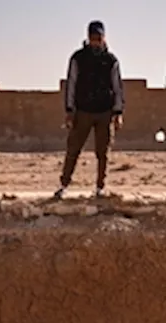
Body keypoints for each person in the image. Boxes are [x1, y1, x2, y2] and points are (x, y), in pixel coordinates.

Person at [54, 20, 125, 200]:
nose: (96, 41)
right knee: (73, 150)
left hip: (104, 112)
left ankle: (100, 187)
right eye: (93, 38)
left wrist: (118, 112)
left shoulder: (111, 60)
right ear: (88, 38)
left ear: (104, 38)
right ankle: (64, 185)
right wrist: (69, 110)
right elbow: (71, 83)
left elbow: (117, 87)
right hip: (83, 111)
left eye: (99, 38)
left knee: (103, 152)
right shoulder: (78, 58)